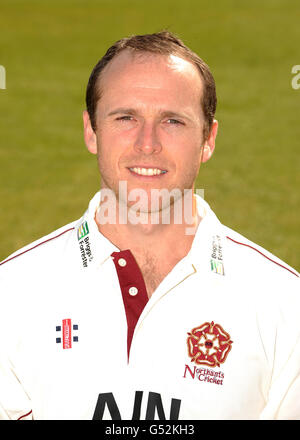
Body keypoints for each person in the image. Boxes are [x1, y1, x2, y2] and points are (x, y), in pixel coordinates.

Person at [0, 31, 299, 421]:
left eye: (172, 121)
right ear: (91, 131)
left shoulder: (285, 305)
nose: (147, 143)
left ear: (208, 139)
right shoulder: (13, 293)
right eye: (126, 118)